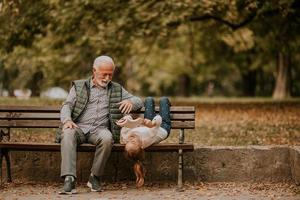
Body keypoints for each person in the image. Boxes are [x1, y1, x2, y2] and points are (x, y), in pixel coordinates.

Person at [59, 55, 143, 194]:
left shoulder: (116, 89)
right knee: (67, 133)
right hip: (78, 127)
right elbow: (67, 105)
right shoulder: (79, 86)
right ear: (94, 71)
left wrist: (131, 102)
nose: (107, 78)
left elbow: (139, 101)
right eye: (104, 74)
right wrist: (67, 120)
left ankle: (95, 177)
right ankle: (69, 179)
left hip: (99, 130)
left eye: (110, 74)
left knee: (107, 138)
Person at [116, 97, 171, 188]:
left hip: (144, 126)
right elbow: (159, 119)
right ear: (141, 145)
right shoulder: (147, 137)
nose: (131, 139)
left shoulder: (126, 137)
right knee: (164, 100)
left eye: (129, 142)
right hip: (161, 128)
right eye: (134, 142)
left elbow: (127, 124)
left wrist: (126, 120)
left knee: (149, 100)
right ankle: (166, 103)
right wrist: (152, 123)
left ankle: (150, 109)